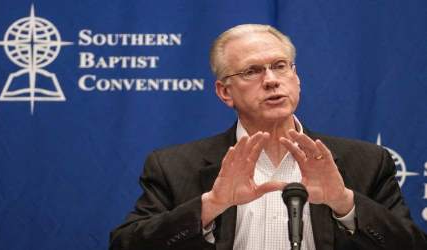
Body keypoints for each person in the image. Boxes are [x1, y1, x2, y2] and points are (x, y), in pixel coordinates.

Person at [109, 24, 426, 250]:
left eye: (280, 66)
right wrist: (211, 205)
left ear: (296, 77)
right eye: (252, 71)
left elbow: (411, 244)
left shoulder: (365, 162)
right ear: (224, 92)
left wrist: (343, 203)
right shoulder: (175, 166)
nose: (272, 80)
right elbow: (126, 244)